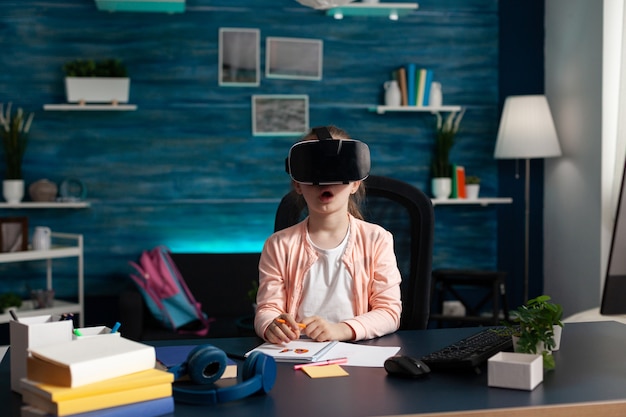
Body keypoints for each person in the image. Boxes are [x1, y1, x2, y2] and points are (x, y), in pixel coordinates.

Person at [254, 125, 402, 344]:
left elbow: (389, 312)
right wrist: (271, 325)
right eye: (314, 171)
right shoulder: (278, 245)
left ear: (355, 184)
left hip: (356, 354)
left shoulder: (377, 240)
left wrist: (340, 330)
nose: (325, 182)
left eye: (337, 172)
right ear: (297, 184)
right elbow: (267, 309)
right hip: (297, 354)